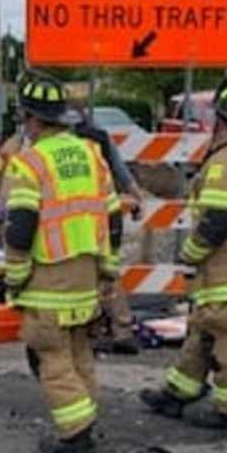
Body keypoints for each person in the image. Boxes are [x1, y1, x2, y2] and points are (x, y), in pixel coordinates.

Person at [141, 79, 227, 434]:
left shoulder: (224, 165)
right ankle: (178, 393)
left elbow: (215, 222)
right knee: (202, 331)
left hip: (221, 269)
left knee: (224, 336)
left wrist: (190, 253)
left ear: (222, 122)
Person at [3, 77, 121, 453]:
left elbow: (20, 225)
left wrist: (14, 276)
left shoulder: (30, 162)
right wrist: (107, 269)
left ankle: (76, 433)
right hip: (85, 274)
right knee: (78, 352)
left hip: (47, 277)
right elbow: (113, 216)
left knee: (51, 356)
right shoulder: (91, 154)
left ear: (30, 119)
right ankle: (86, 418)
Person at [69, 108, 143, 354]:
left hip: (80, 220)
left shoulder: (63, 148)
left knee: (85, 272)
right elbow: (123, 174)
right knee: (109, 273)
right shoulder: (100, 139)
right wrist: (137, 197)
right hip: (109, 218)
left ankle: (91, 330)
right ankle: (122, 330)